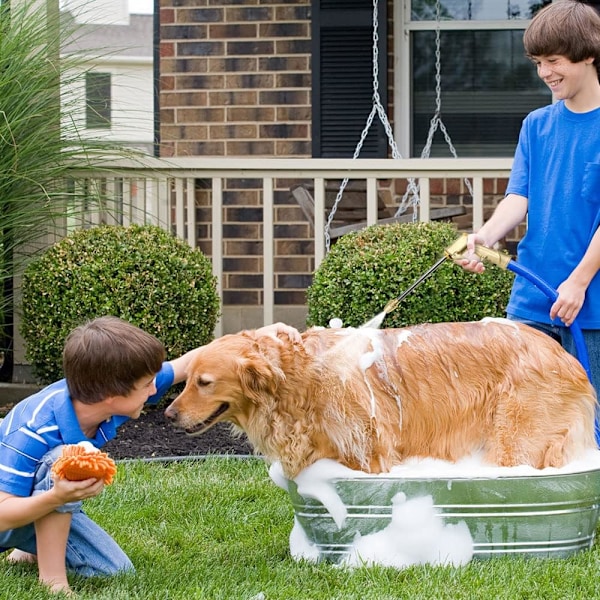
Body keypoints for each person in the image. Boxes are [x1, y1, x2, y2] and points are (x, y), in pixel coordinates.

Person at [0, 315, 299, 595]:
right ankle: (53, 581)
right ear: (112, 396)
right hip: (6, 517)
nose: (156, 389)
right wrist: (57, 498)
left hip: (31, 505)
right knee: (62, 459)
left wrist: (255, 339)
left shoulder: (105, 395)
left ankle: (29, 545)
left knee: (112, 572)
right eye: (147, 385)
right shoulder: (33, 429)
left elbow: (186, 364)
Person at [460, 0, 600, 397]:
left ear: (588, 53)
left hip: (589, 308)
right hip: (532, 300)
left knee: (590, 427)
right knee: (523, 416)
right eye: (538, 62)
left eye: (553, 60)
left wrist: (578, 281)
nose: (544, 73)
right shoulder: (536, 126)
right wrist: (485, 237)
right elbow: (519, 197)